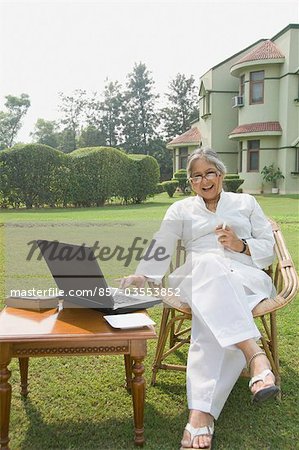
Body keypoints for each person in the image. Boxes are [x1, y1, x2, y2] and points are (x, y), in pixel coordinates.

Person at [119, 148, 280, 450]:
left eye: (209, 173)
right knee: (207, 264)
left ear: (220, 175)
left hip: (244, 277)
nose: (204, 180)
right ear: (190, 182)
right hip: (195, 278)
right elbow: (163, 242)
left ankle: (200, 415)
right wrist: (144, 275)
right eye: (196, 176)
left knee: (212, 317)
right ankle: (254, 354)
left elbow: (269, 247)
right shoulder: (181, 210)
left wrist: (240, 245)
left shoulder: (246, 203)